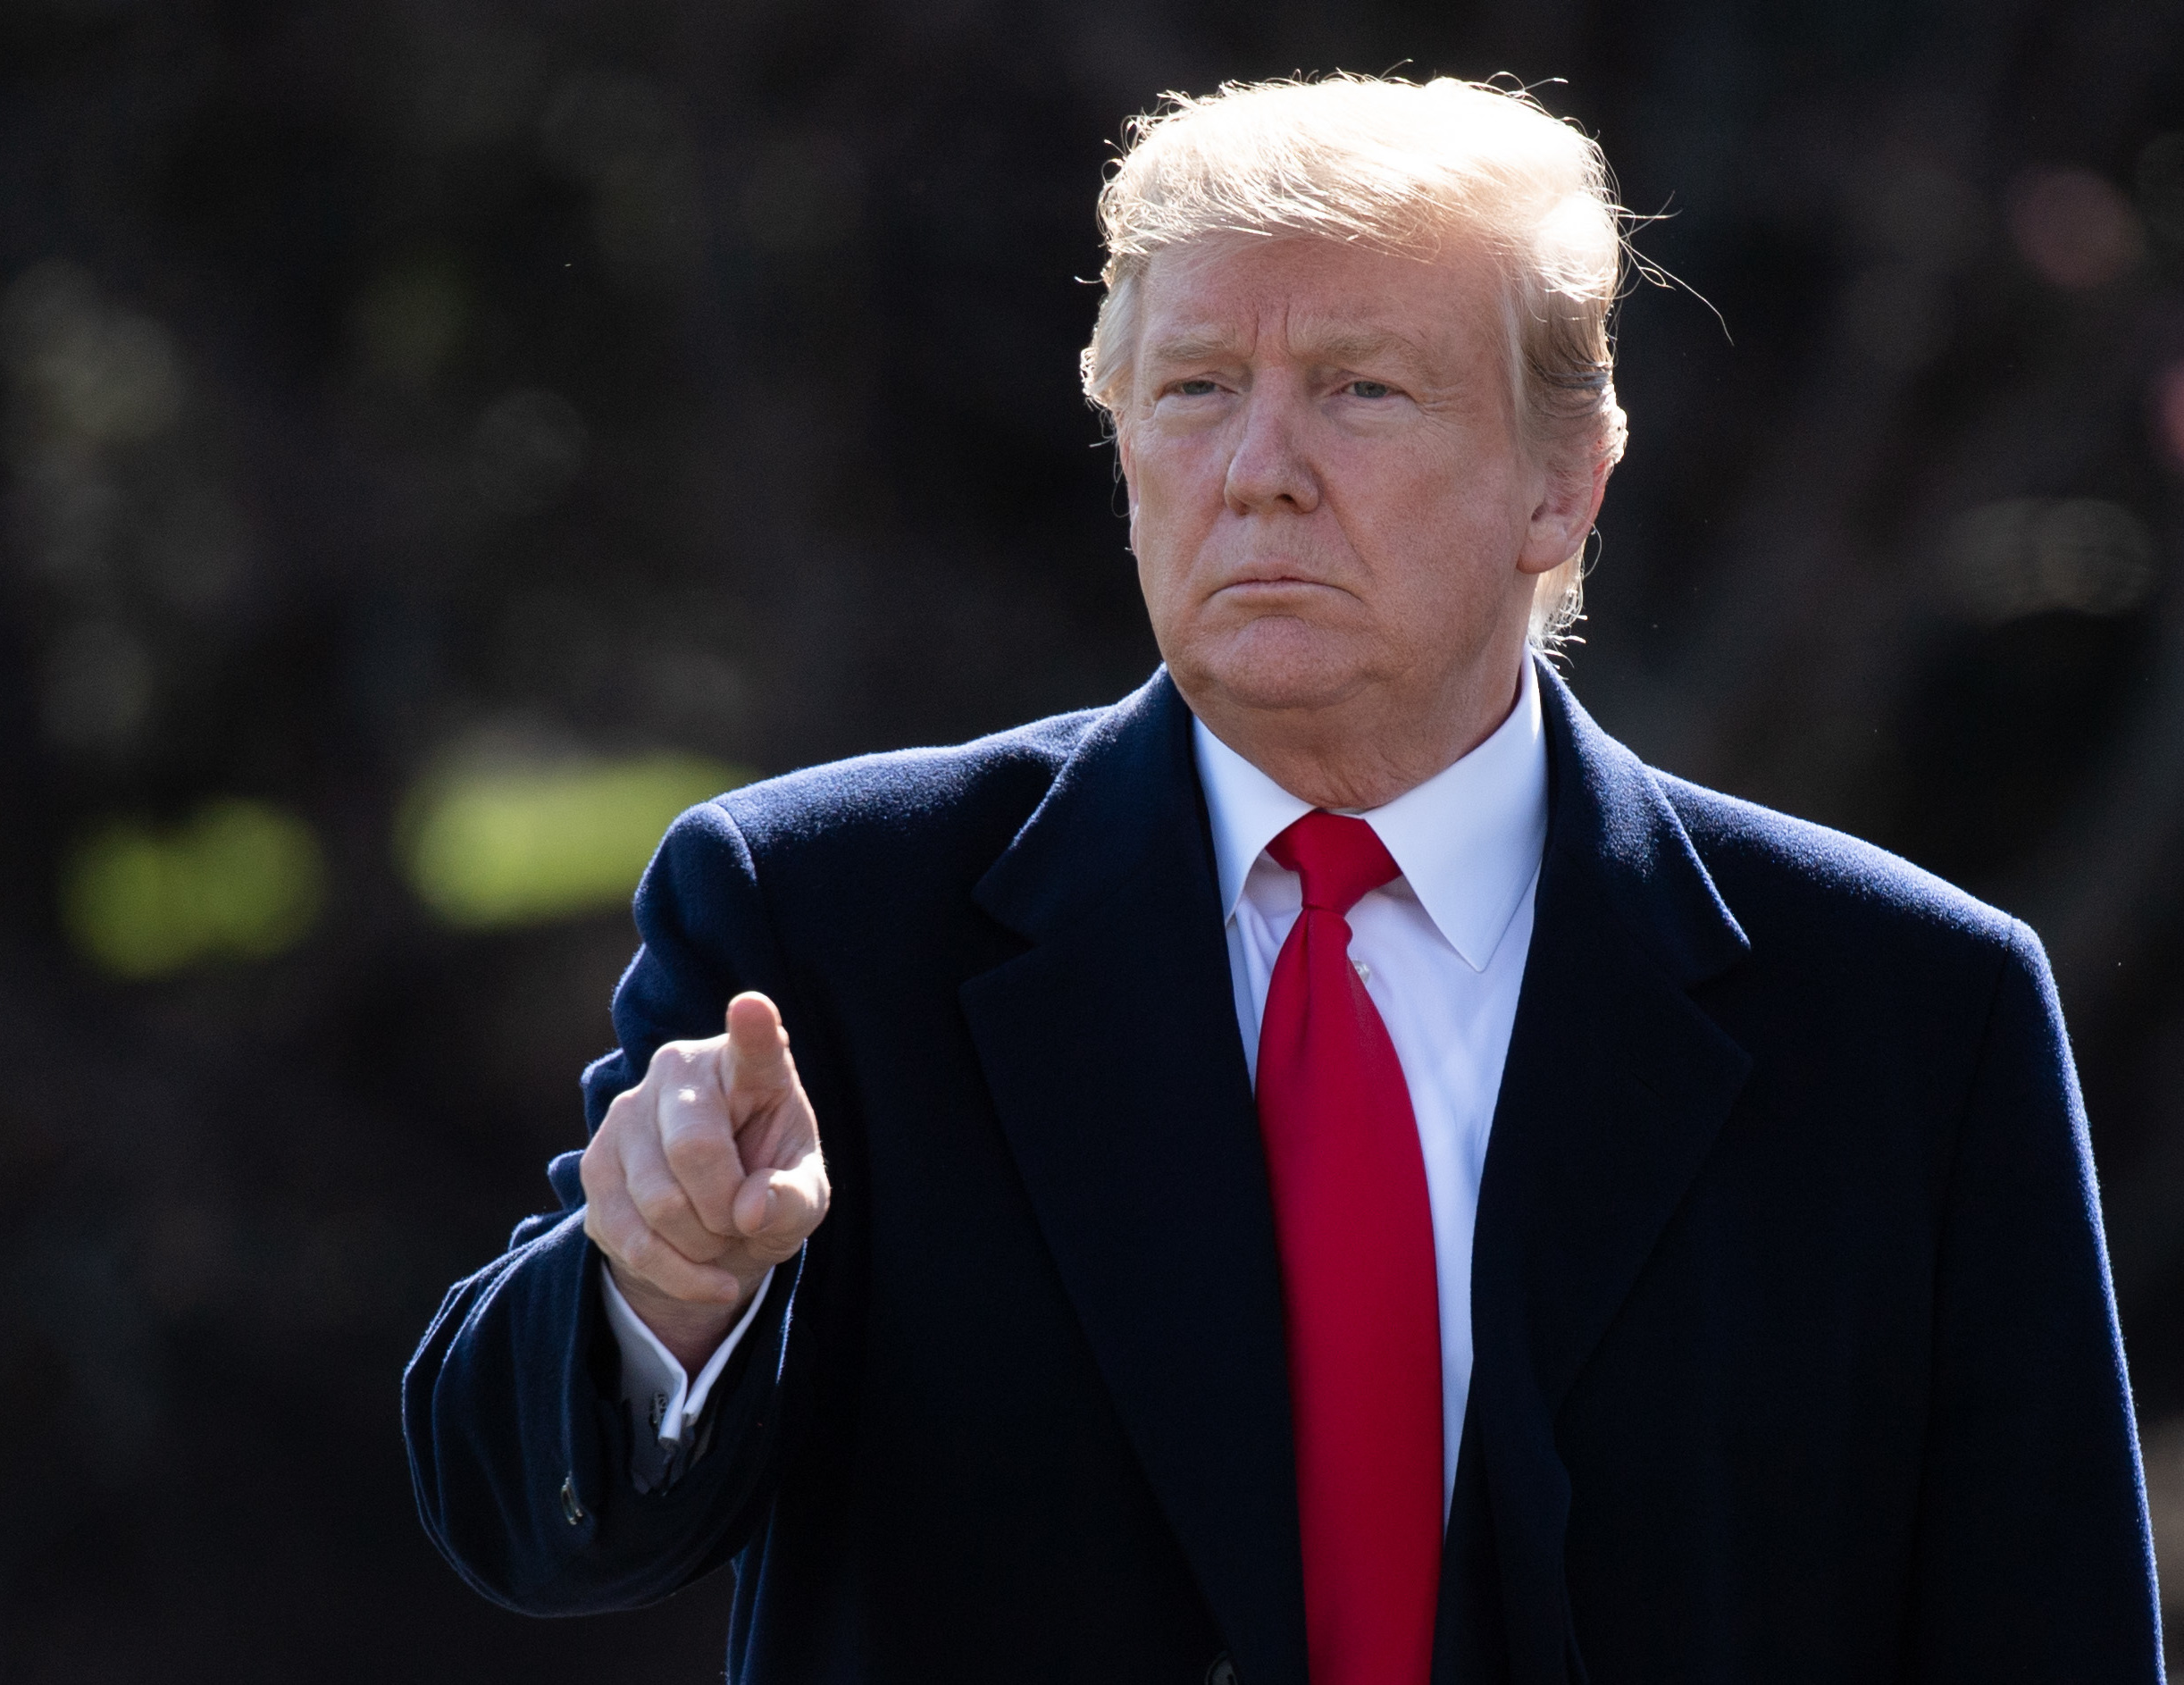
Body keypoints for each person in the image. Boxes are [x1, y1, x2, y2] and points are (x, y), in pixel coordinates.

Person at [403, 74, 2163, 1684]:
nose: (1256, 469)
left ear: (1564, 479)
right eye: (1191, 391)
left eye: (1358, 390)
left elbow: (2050, 1625)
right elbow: (515, 1507)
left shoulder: (1906, 1010)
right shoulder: (824, 916)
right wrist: (665, 1292)